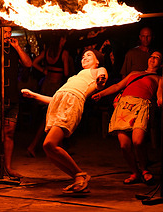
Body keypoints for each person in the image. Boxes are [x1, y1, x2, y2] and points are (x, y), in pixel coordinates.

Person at [21, 49, 107, 193]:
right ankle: (78, 178)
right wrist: (34, 95)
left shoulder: (98, 70)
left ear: (97, 61)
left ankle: (80, 175)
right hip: (58, 104)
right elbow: (54, 98)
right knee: (47, 148)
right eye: (83, 56)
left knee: (49, 143)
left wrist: (101, 80)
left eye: (89, 55)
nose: (84, 57)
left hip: (71, 104)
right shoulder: (74, 77)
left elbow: (101, 80)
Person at [92, 51, 163, 185]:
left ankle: (144, 170)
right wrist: (101, 94)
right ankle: (135, 172)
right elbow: (118, 86)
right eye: (151, 56)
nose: (153, 59)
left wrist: (161, 100)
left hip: (141, 105)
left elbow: (160, 95)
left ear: (160, 64)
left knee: (138, 141)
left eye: (157, 58)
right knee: (124, 145)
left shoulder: (159, 78)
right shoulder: (134, 73)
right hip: (124, 105)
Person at [0, 23, 32, 178]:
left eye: (10, 33)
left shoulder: (12, 49)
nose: (8, 35)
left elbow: (28, 64)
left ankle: (8, 167)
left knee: (9, 133)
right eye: (5, 32)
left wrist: (18, 48)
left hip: (12, 96)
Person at [28, 33, 70, 157]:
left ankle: (58, 147)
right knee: (51, 118)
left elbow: (34, 63)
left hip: (46, 85)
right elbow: (66, 72)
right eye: (64, 38)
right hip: (56, 86)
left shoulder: (47, 52)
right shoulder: (64, 53)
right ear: (61, 40)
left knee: (51, 117)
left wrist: (45, 70)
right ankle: (34, 145)